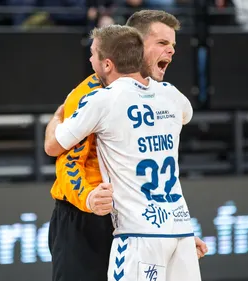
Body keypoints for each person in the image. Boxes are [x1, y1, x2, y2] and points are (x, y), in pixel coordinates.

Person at [46, 9, 208, 281]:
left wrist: (176, 235)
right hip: (90, 216)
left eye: (173, 45)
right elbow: (66, 161)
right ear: (135, 44)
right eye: (162, 43)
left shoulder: (160, 93)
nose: (171, 52)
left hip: (138, 225)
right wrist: (88, 197)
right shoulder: (93, 95)